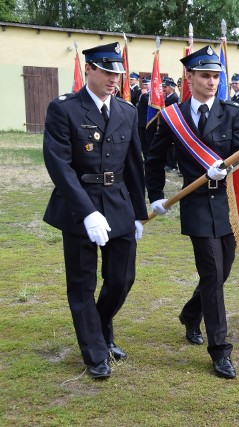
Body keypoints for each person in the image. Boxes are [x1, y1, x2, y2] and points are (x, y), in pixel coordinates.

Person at [42, 42, 147, 380]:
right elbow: (59, 164)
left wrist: (138, 213)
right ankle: (95, 352)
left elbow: (134, 165)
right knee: (82, 284)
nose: (113, 79)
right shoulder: (65, 109)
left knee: (122, 279)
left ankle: (98, 330)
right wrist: (87, 212)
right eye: (106, 71)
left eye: (117, 73)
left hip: (117, 202)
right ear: (89, 69)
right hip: (78, 205)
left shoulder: (127, 111)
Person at [145, 45, 239, 379]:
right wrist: (157, 195)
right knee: (212, 274)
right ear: (189, 77)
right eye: (205, 76)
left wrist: (228, 170)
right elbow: (154, 159)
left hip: (228, 202)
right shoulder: (172, 116)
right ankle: (220, 350)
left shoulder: (233, 112)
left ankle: (191, 314)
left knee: (221, 273)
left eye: (216, 76)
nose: (212, 82)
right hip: (195, 204)